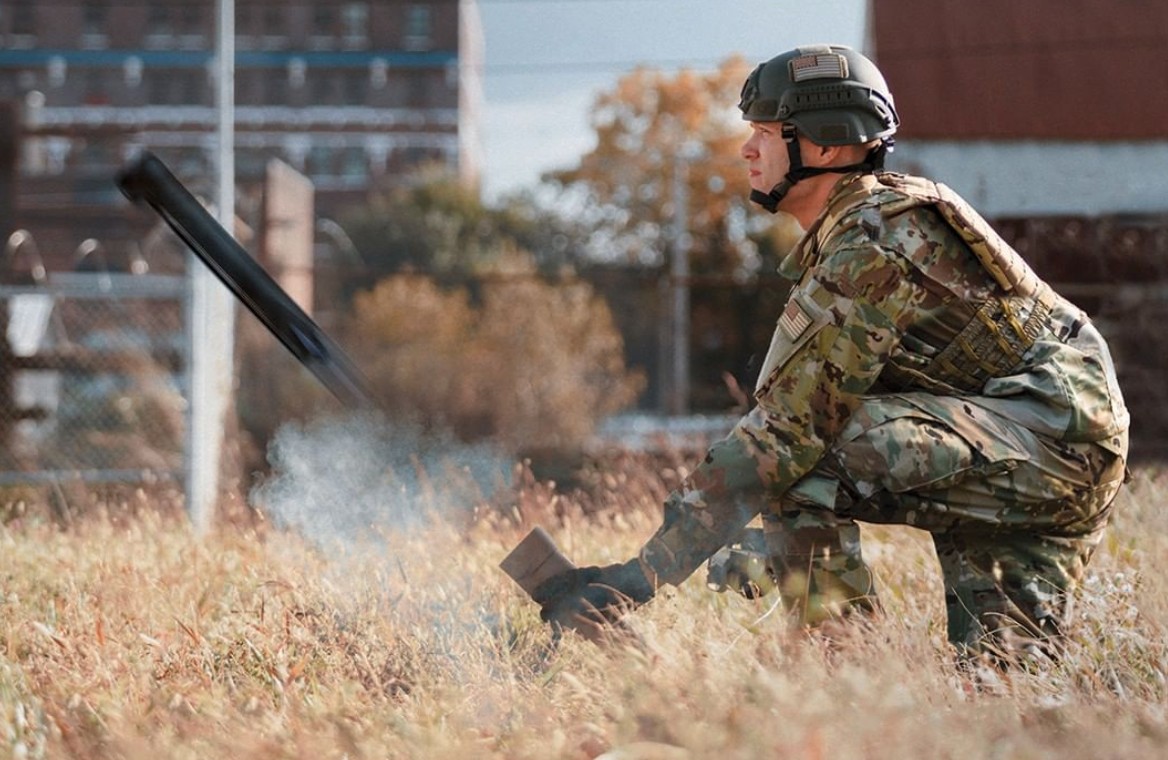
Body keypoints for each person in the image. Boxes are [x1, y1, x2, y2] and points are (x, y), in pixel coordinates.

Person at [532, 44, 1130, 665]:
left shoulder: (874, 241)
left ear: (822, 146)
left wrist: (640, 578)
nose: (747, 149)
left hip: (1048, 440)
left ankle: (844, 677)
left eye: (765, 132)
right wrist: (769, 551)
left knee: (801, 464)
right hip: (1044, 445)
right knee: (1007, 680)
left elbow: (785, 437)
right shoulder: (866, 227)